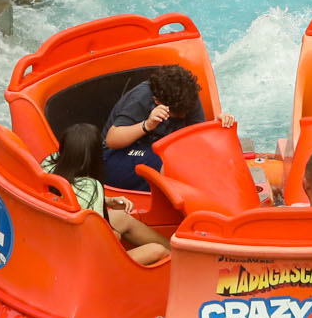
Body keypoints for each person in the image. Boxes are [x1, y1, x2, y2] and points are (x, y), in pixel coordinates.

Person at [45, 123, 169, 265]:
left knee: (121, 217)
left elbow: (74, 196)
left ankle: (174, 249)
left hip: (59, 243)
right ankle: (176, 256)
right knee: (158, 251)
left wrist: (108, 201)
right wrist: (115, 234)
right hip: (89, 263)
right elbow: (100, 240)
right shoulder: (91, 187)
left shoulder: (49, 165)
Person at [102, 66, 233, 192]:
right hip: (117, 155)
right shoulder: (141, 99)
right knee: (169, 162)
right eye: (176, 114)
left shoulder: (187, 97)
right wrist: (147, 125)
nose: (182, 116)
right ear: (157, 101)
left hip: (160, 149)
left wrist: (215, 126)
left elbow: (198, 137)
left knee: (200, 156)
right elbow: (112, 140)